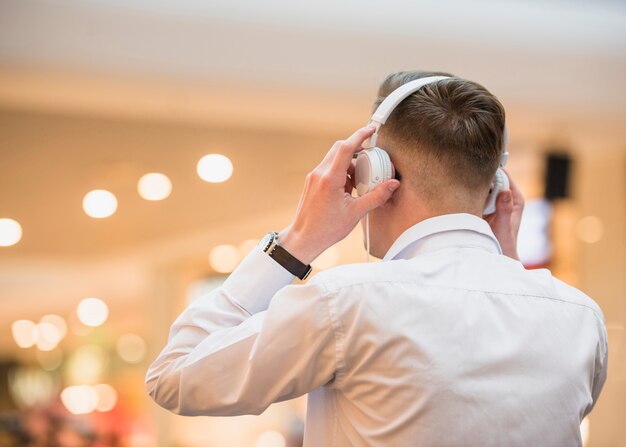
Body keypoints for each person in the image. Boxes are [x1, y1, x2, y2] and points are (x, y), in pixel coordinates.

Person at [146, 71, 607, 446]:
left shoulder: (345, 304)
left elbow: (175, 376)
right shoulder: (581, 317)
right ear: (496, 190)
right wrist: (505, 263)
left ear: (375, 173)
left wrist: (296, 241)